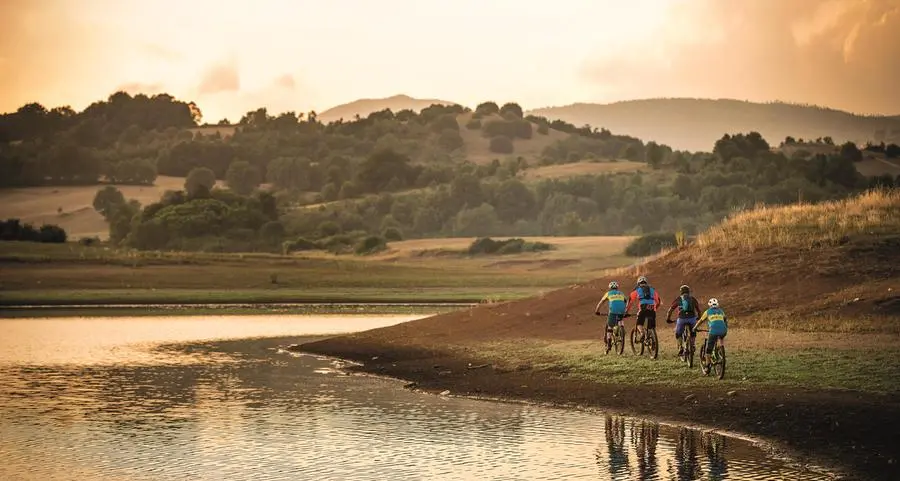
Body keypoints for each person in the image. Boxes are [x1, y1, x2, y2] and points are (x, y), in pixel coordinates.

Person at [665, 284, 702, 357]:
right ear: (688, 291)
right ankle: (693, 345)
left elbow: (670, 310)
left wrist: (668, 319)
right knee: (693, 332)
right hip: (692, 318)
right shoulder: (693, 299)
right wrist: (699, 317)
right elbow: (698, 310)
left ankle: (680, 348)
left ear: (681, 292)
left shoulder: (678, 299)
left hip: (681, 319)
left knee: (678, 333)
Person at [624, 276, 661, 342]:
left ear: (638, 283)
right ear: (646, 283)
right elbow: (658, 302)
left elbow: (630, 302)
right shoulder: (653, 290)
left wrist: (626, 312)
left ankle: (642, 333)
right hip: (652, 308)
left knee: (639, 324)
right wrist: (655, 308)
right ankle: (651, 339)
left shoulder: (636, 290)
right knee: (651, 327)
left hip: (643, 307)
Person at [595, 281, 627, 345]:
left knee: (610, 326)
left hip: (612, 311)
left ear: (610, 288)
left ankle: (609, 340)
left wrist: (597, 311)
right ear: (617, 287)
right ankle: (621, 328)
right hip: (622, 311)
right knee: (620, 319)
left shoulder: (608, 293)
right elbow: (626, 301)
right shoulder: (621, 293)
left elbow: (601, 303)